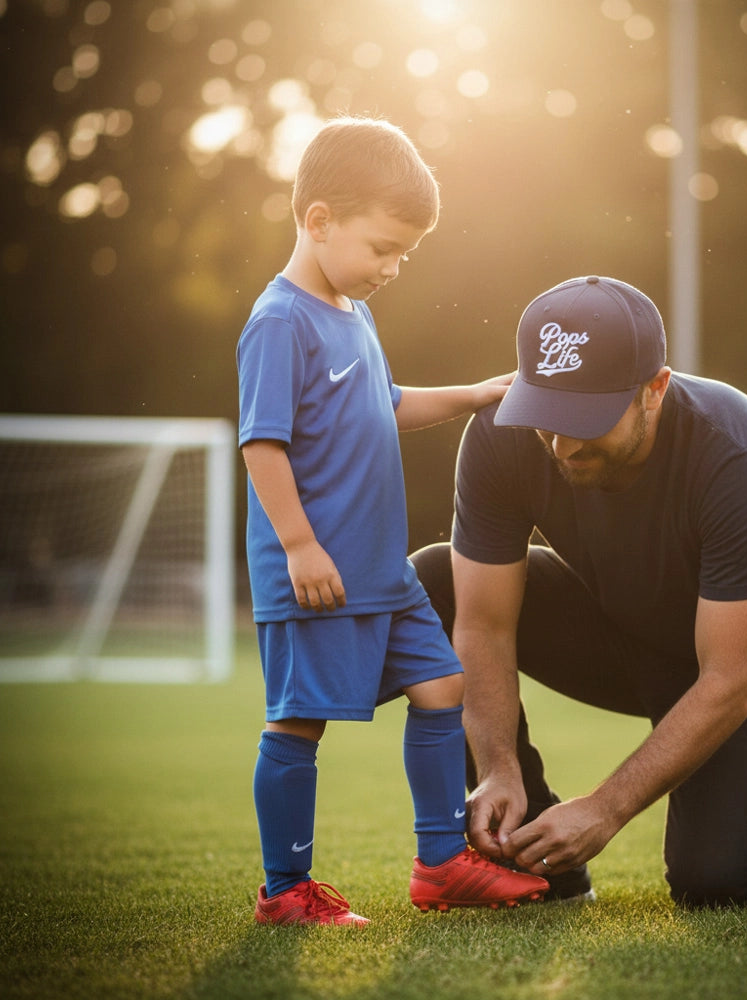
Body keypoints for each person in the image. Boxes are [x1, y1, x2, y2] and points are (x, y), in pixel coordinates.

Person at [411, 274, 747, 908]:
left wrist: (603, 808)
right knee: (434, 581)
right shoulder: (499, 435)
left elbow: (730, 677)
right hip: (623, 626)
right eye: (546, 416)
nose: (562, 444)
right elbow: (483, 625)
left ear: (656, 389)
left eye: (583, 419)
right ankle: (543, 865)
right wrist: (497, 766)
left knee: (717, 883)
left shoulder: (739, 452)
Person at [236, 116, 548, 926]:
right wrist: (300, 545)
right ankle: (285, 892)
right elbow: (261, 445)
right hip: (320, 572)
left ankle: (442, 862)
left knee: (443, 685)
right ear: (320, 221)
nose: (394, 267)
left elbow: (388, 402)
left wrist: (477, 393)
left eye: (405, 252)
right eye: (383, 247)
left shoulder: (352, 313)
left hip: (384, 569)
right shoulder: (279, 323)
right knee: (299, 721)